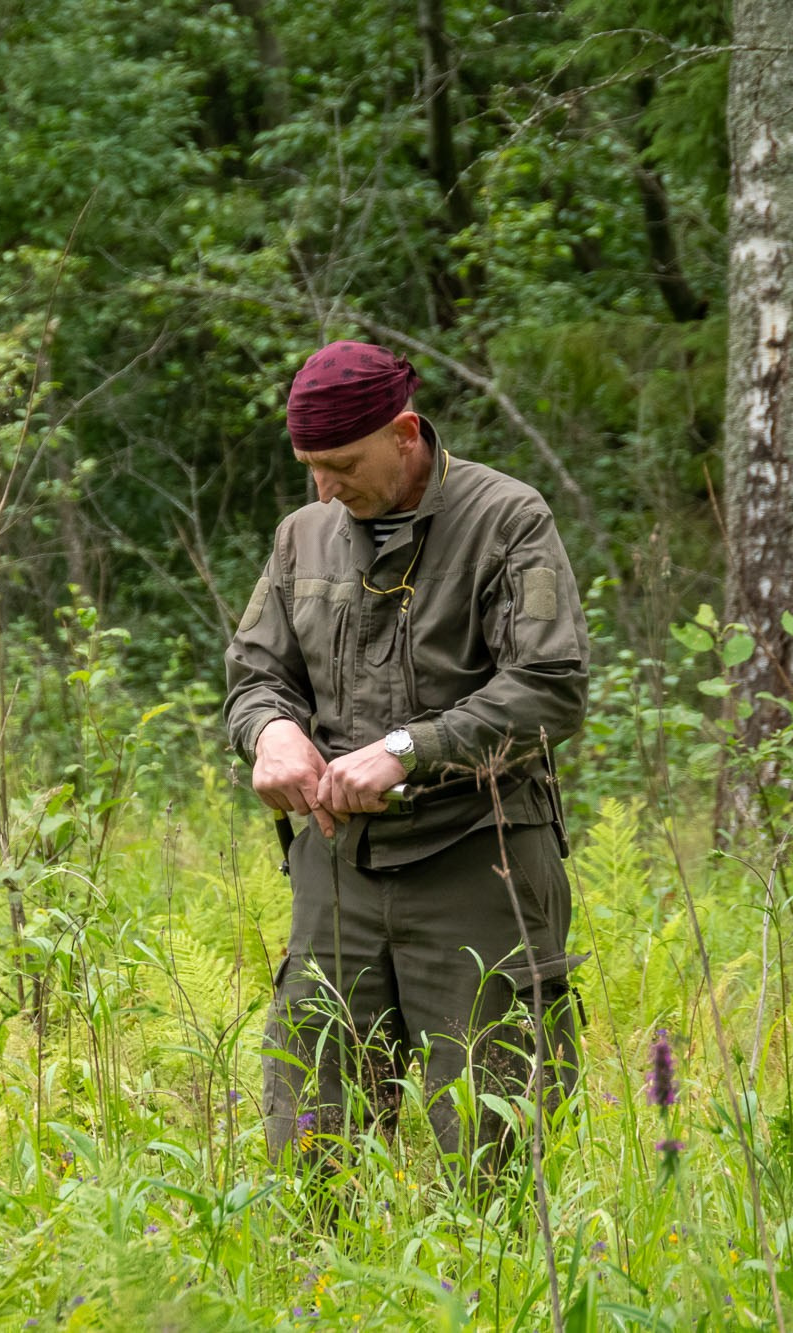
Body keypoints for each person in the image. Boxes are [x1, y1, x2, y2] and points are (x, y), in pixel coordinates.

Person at [224, 341, 588, 1170]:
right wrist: (269, 730)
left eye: (342, 463)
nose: (325, 487)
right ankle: (320, 1301)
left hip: (479, 865)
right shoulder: (301, 537)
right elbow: (256, 674)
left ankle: (503, 1304)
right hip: (337, 875)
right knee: (312, 1148)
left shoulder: (508, 519)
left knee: (497, 1155)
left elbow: (551, 686)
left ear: (405, 432)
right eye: (310, 466)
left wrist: (405, 750)